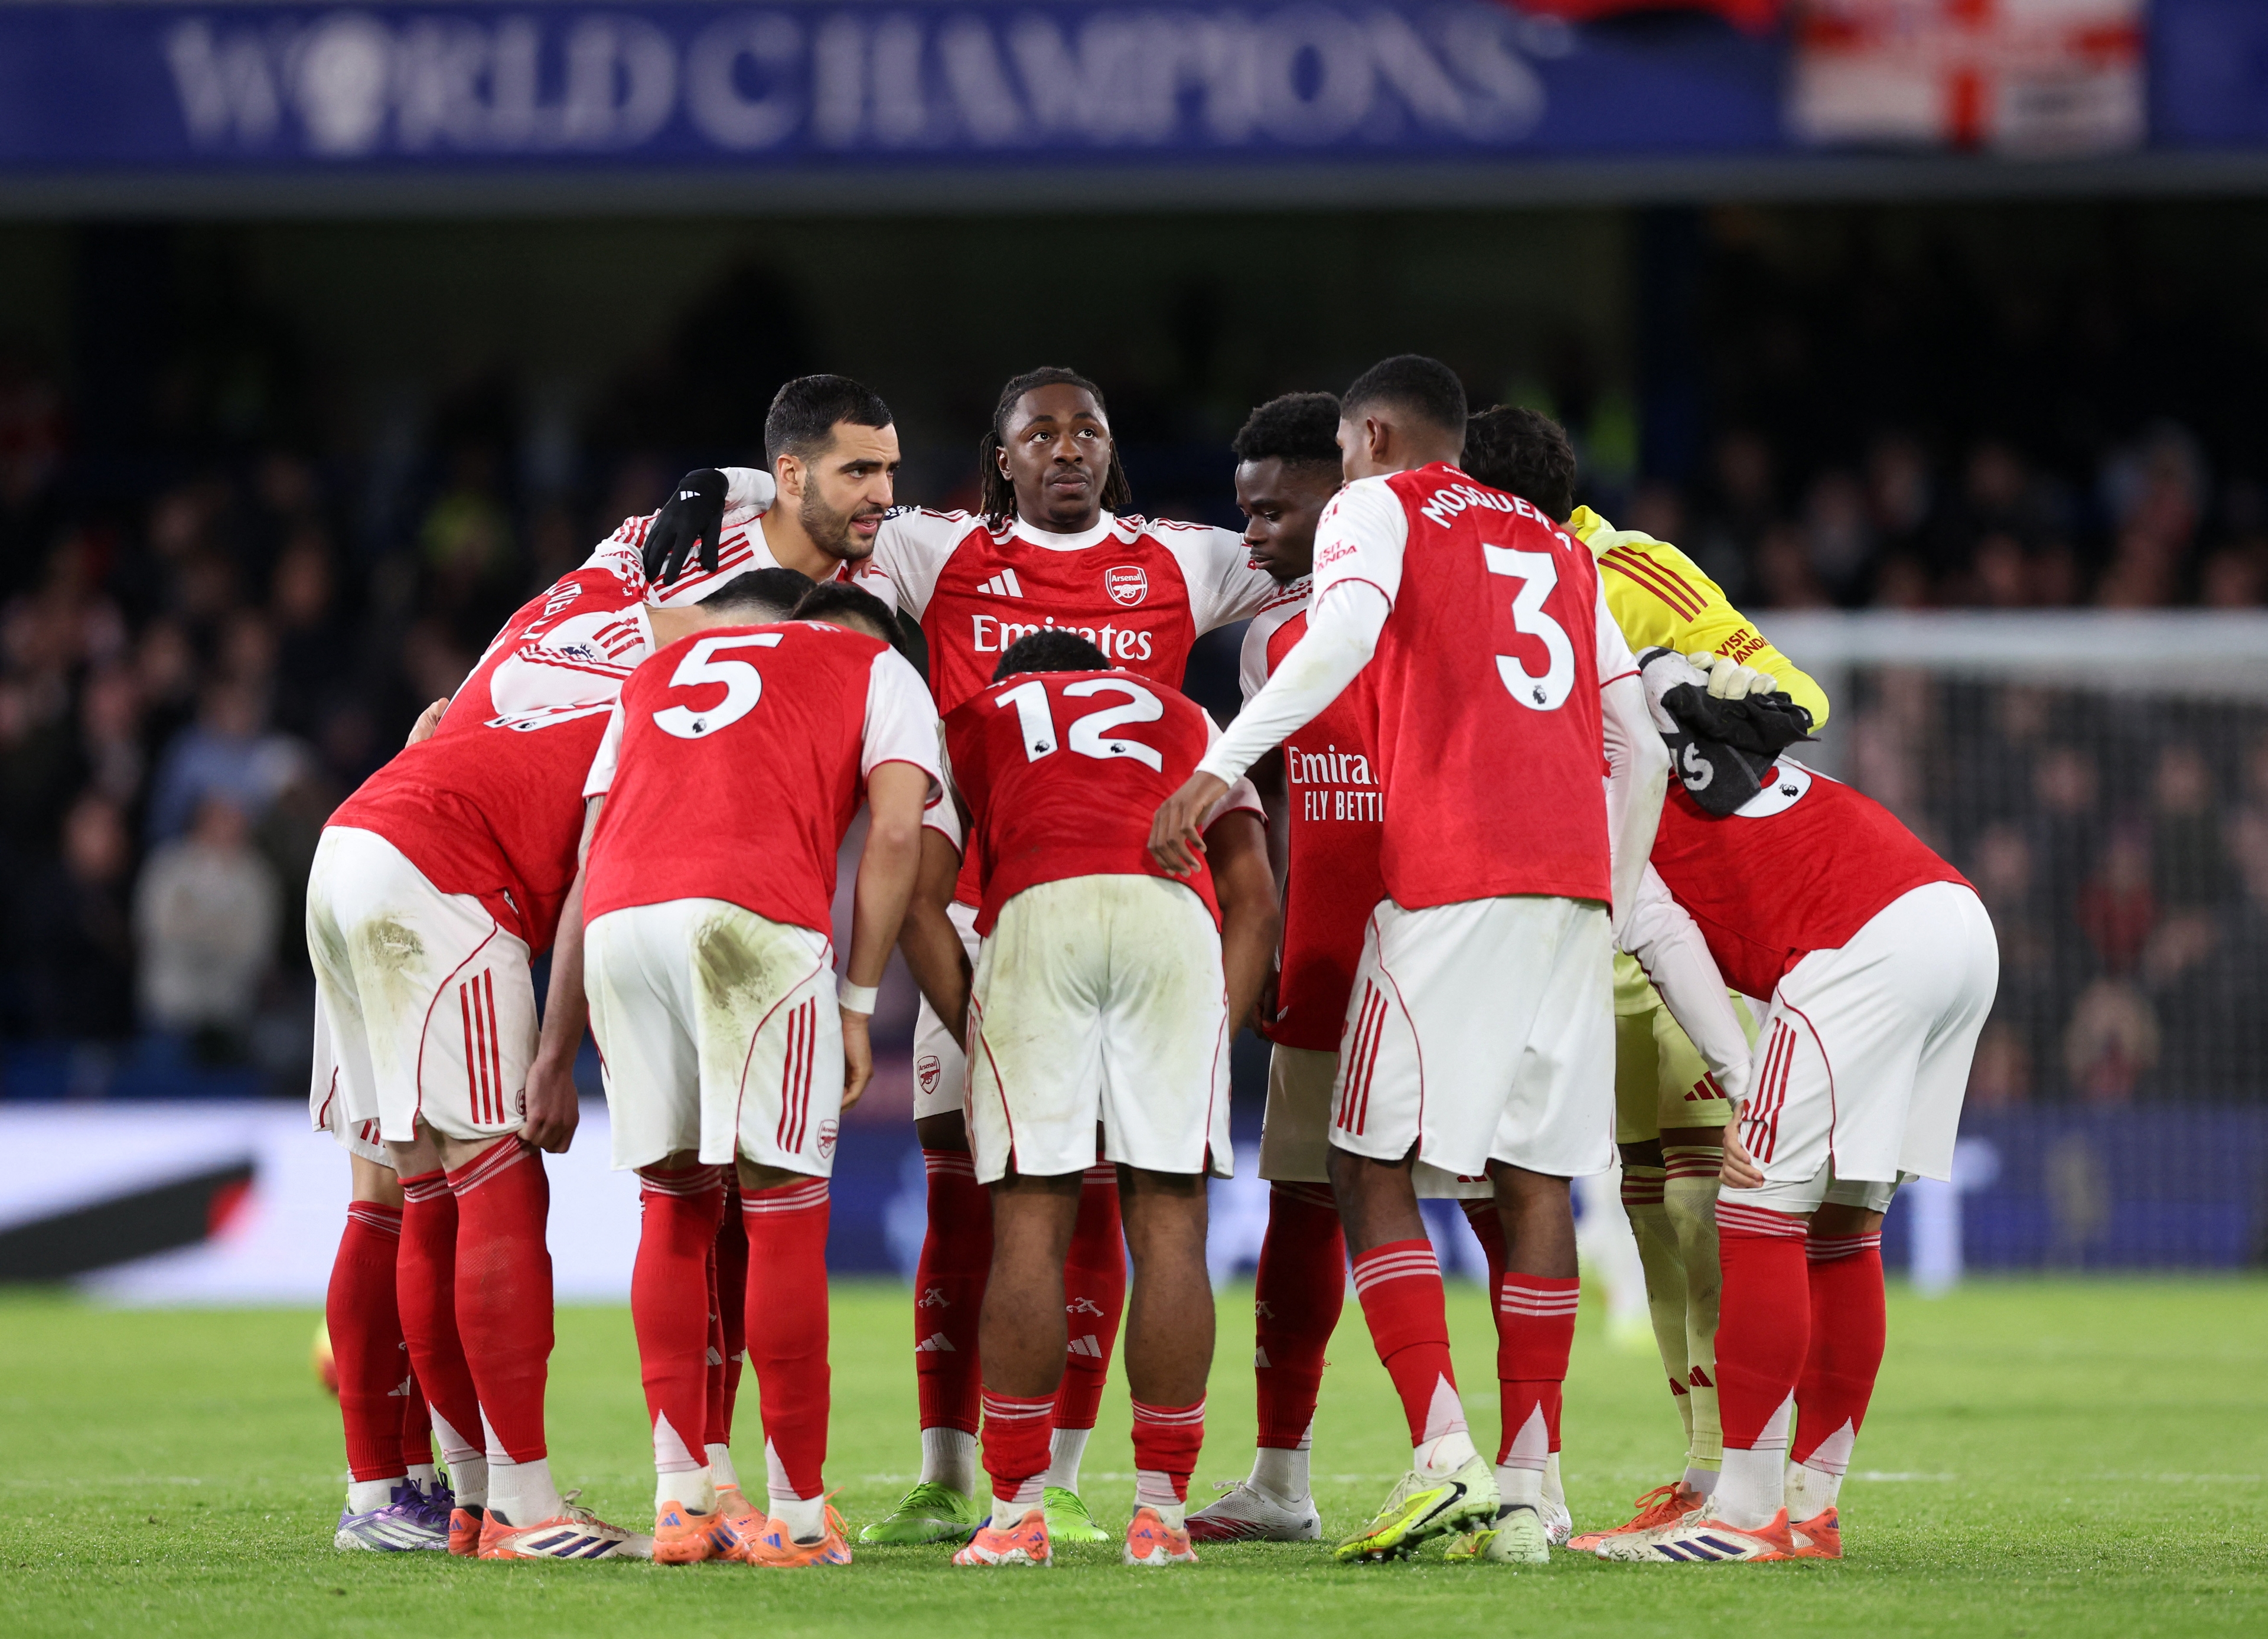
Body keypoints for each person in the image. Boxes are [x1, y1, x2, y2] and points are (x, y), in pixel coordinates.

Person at [305, 373, 885, 1560]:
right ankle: (522, 1508)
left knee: (399, 1187)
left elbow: (441, 718)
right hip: (447, 869)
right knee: (491, 1178)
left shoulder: (591, 588)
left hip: (360, 831)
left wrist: (706, 481)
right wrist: (561, 1045)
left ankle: (413, 1495)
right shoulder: (696, 688)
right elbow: (593, 875)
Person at [1152, 356, 1669, 1566]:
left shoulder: (1377, 510)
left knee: (1361, 1162)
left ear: (1372, 438)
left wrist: (1219, 765)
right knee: (1532, 1179)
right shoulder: (1555, 541)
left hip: (1448, 884)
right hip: (1569, 890)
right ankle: (1530, 1491)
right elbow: (1638, 743)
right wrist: (1614, 891)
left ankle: (1442, 1455)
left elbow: (1342, 635)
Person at [842, 366, 1278, 1545]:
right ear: (1003, 458)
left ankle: (1037, 1489)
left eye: (1089, 430)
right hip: (1135, 908)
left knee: (1037, 1204)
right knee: (1056, 1198)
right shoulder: (940, 547)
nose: (1068, 448)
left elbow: (1314, 552)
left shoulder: (1180, 558)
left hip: (1016, 908)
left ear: (1113, 450)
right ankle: (1050, 1488)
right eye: (1041, 433)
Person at [1461, 405, 1833, 1546]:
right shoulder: (1465, 584)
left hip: (1678, 930)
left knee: (1700, 1200)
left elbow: (1796, 695)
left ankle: (1751, 1474)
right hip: (1572, 939)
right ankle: (1699, 1464)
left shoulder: (1631, 571)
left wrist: (1691, 705)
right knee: (1643, 1211)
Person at [1184, 391, 1507, 1544]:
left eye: (1274, 511)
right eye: (1246, 511)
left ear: (1345, 492)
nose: (1252, 535)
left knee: (1499, 1196)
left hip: (1445, 938)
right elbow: (1281, 799)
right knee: (1305, 1201)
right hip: (1327, 954)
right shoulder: (1267, 637)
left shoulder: (1436, 600)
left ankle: (1529, 1469)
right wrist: (1277, 935)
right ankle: (1283, 1481)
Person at [1598, 651, 1996, 1563]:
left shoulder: (1598, 789)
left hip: (1857, 941)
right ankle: (1813, 1510)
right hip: (1953, 917)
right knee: (1845, 1226)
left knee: (1754, 1210)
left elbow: (1664, 940)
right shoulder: (1668, 721)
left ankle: (1744, 1517)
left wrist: (1741, 1081)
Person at [582, 578, 936, 1569]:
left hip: (617, 916)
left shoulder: (659, 669)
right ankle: (798, 1518)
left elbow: (593, 827)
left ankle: (680, 1501)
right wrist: (859, 1001)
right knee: (782, 1209)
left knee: (672, 1207)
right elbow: (896, 833)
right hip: (753, 913)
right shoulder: (879, 664)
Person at [934, 630, 1277, 1569]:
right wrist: (1212, 1033)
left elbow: (923, 899)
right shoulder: (1190, 716)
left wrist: (978, 1025)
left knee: (1029, 1226)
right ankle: (1161, 1518)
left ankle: (1016, 1517)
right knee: (1171, 1226)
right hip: (1173, 918)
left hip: (1040, 909)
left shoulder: (980, 716)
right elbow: (1255, 899)